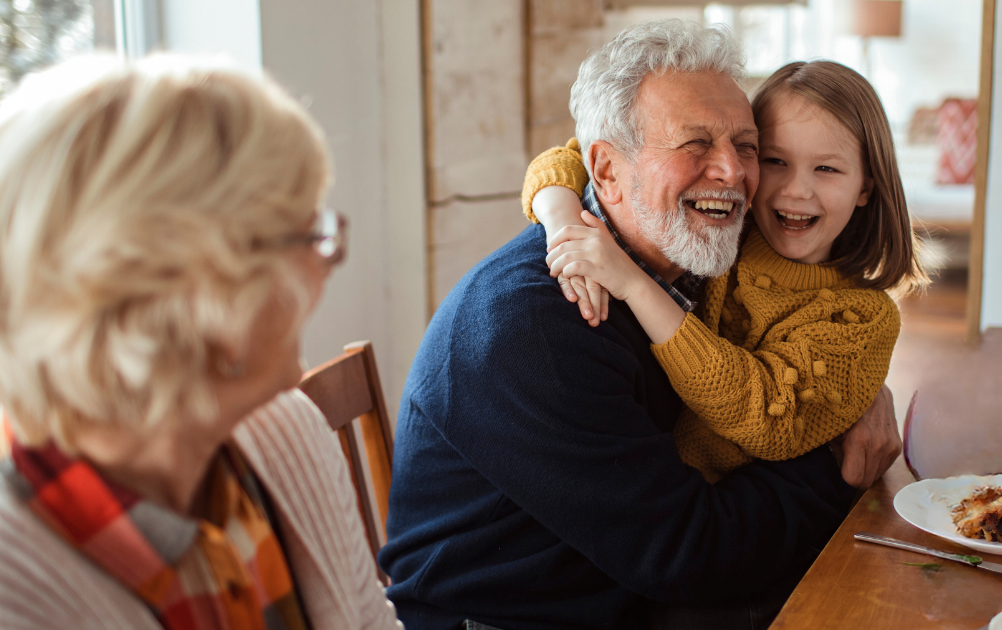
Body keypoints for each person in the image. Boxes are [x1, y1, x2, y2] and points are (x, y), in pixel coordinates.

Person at [380, 21, 900, 630]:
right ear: (606, 171)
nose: (733, 172)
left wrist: (843, 393)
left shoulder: (696, 257)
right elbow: (696, 555)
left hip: (625, 584)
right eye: (695, 144)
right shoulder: (535, 328)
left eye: (746, 144)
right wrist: (836, 459)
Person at [0, 55, 402, 629]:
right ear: (189, 297)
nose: (327, 262)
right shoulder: (4, 597)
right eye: (309, 236)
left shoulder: (290, 432)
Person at [525, 60, 928, 482]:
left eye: (826, 168)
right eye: (774, 160)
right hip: (638, 483)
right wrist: (563, 223)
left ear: (866, 186)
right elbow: (573, 156)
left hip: (738, 518)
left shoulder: (866, 318)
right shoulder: (724, 231)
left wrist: (633, 283)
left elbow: (767, 417)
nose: (796, 190)